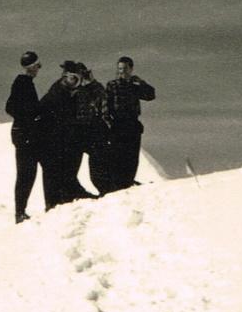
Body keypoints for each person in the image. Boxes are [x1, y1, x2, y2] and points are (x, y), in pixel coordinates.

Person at [38, 61, 96, 209]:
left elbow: (98, 96)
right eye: (71, 78)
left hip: (68, 141)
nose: (74, 82)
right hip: (52, 142)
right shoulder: (56, 93)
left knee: (67, 173)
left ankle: (69, 196)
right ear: (64, 76)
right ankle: (54, 204)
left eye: (77, 78)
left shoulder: (74, 93)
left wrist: (91, 83)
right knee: (54, 175)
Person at [102, 55, 155, 191]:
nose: (122, 72)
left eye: (125, 69)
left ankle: (128, 182)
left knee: (132, 157)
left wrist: (141, 82)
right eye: (120, 69)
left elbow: (151, 95)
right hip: (117, 125)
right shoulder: (112, 85)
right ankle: (118, 185)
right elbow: (105, 106)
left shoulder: (134, 86)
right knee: (118, 156)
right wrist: (108, 124)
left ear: (131, 69)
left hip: (132, 124)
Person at [6, 51, 44, 223]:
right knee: (26, 174)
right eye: (37, 66)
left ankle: (20, 212)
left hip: (24, 134)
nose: (39, 69)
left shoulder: (24, 83)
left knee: (27, 173)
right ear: (32, 67)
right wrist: (30, 119)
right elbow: (10, 107)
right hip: (24, 135)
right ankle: (20, 212)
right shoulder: (22, 83)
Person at [70, 62, 114, 195]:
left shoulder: (94, 88)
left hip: (93, 132)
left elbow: (103, 101)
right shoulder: (72, 90)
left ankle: (106, 192)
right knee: (71, 169)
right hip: (77, 132)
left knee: (97, 172)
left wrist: (92, 82)